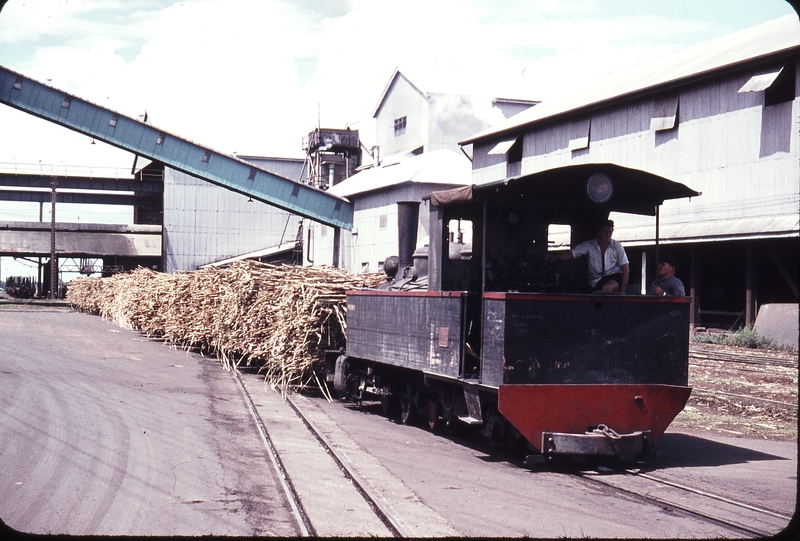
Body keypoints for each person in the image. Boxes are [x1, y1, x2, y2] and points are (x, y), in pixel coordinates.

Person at [545, 219, 629, 294]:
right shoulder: (589, 245)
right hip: (595, 281)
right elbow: (572, 253)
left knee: (607, 288)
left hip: (613, 277)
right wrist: (555, 257)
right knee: (595, 293)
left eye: (610, 232)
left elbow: (625, 268)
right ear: (598, 232)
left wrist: (623, 291)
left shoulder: (617, 246)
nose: (608, 234)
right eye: (604, 231)